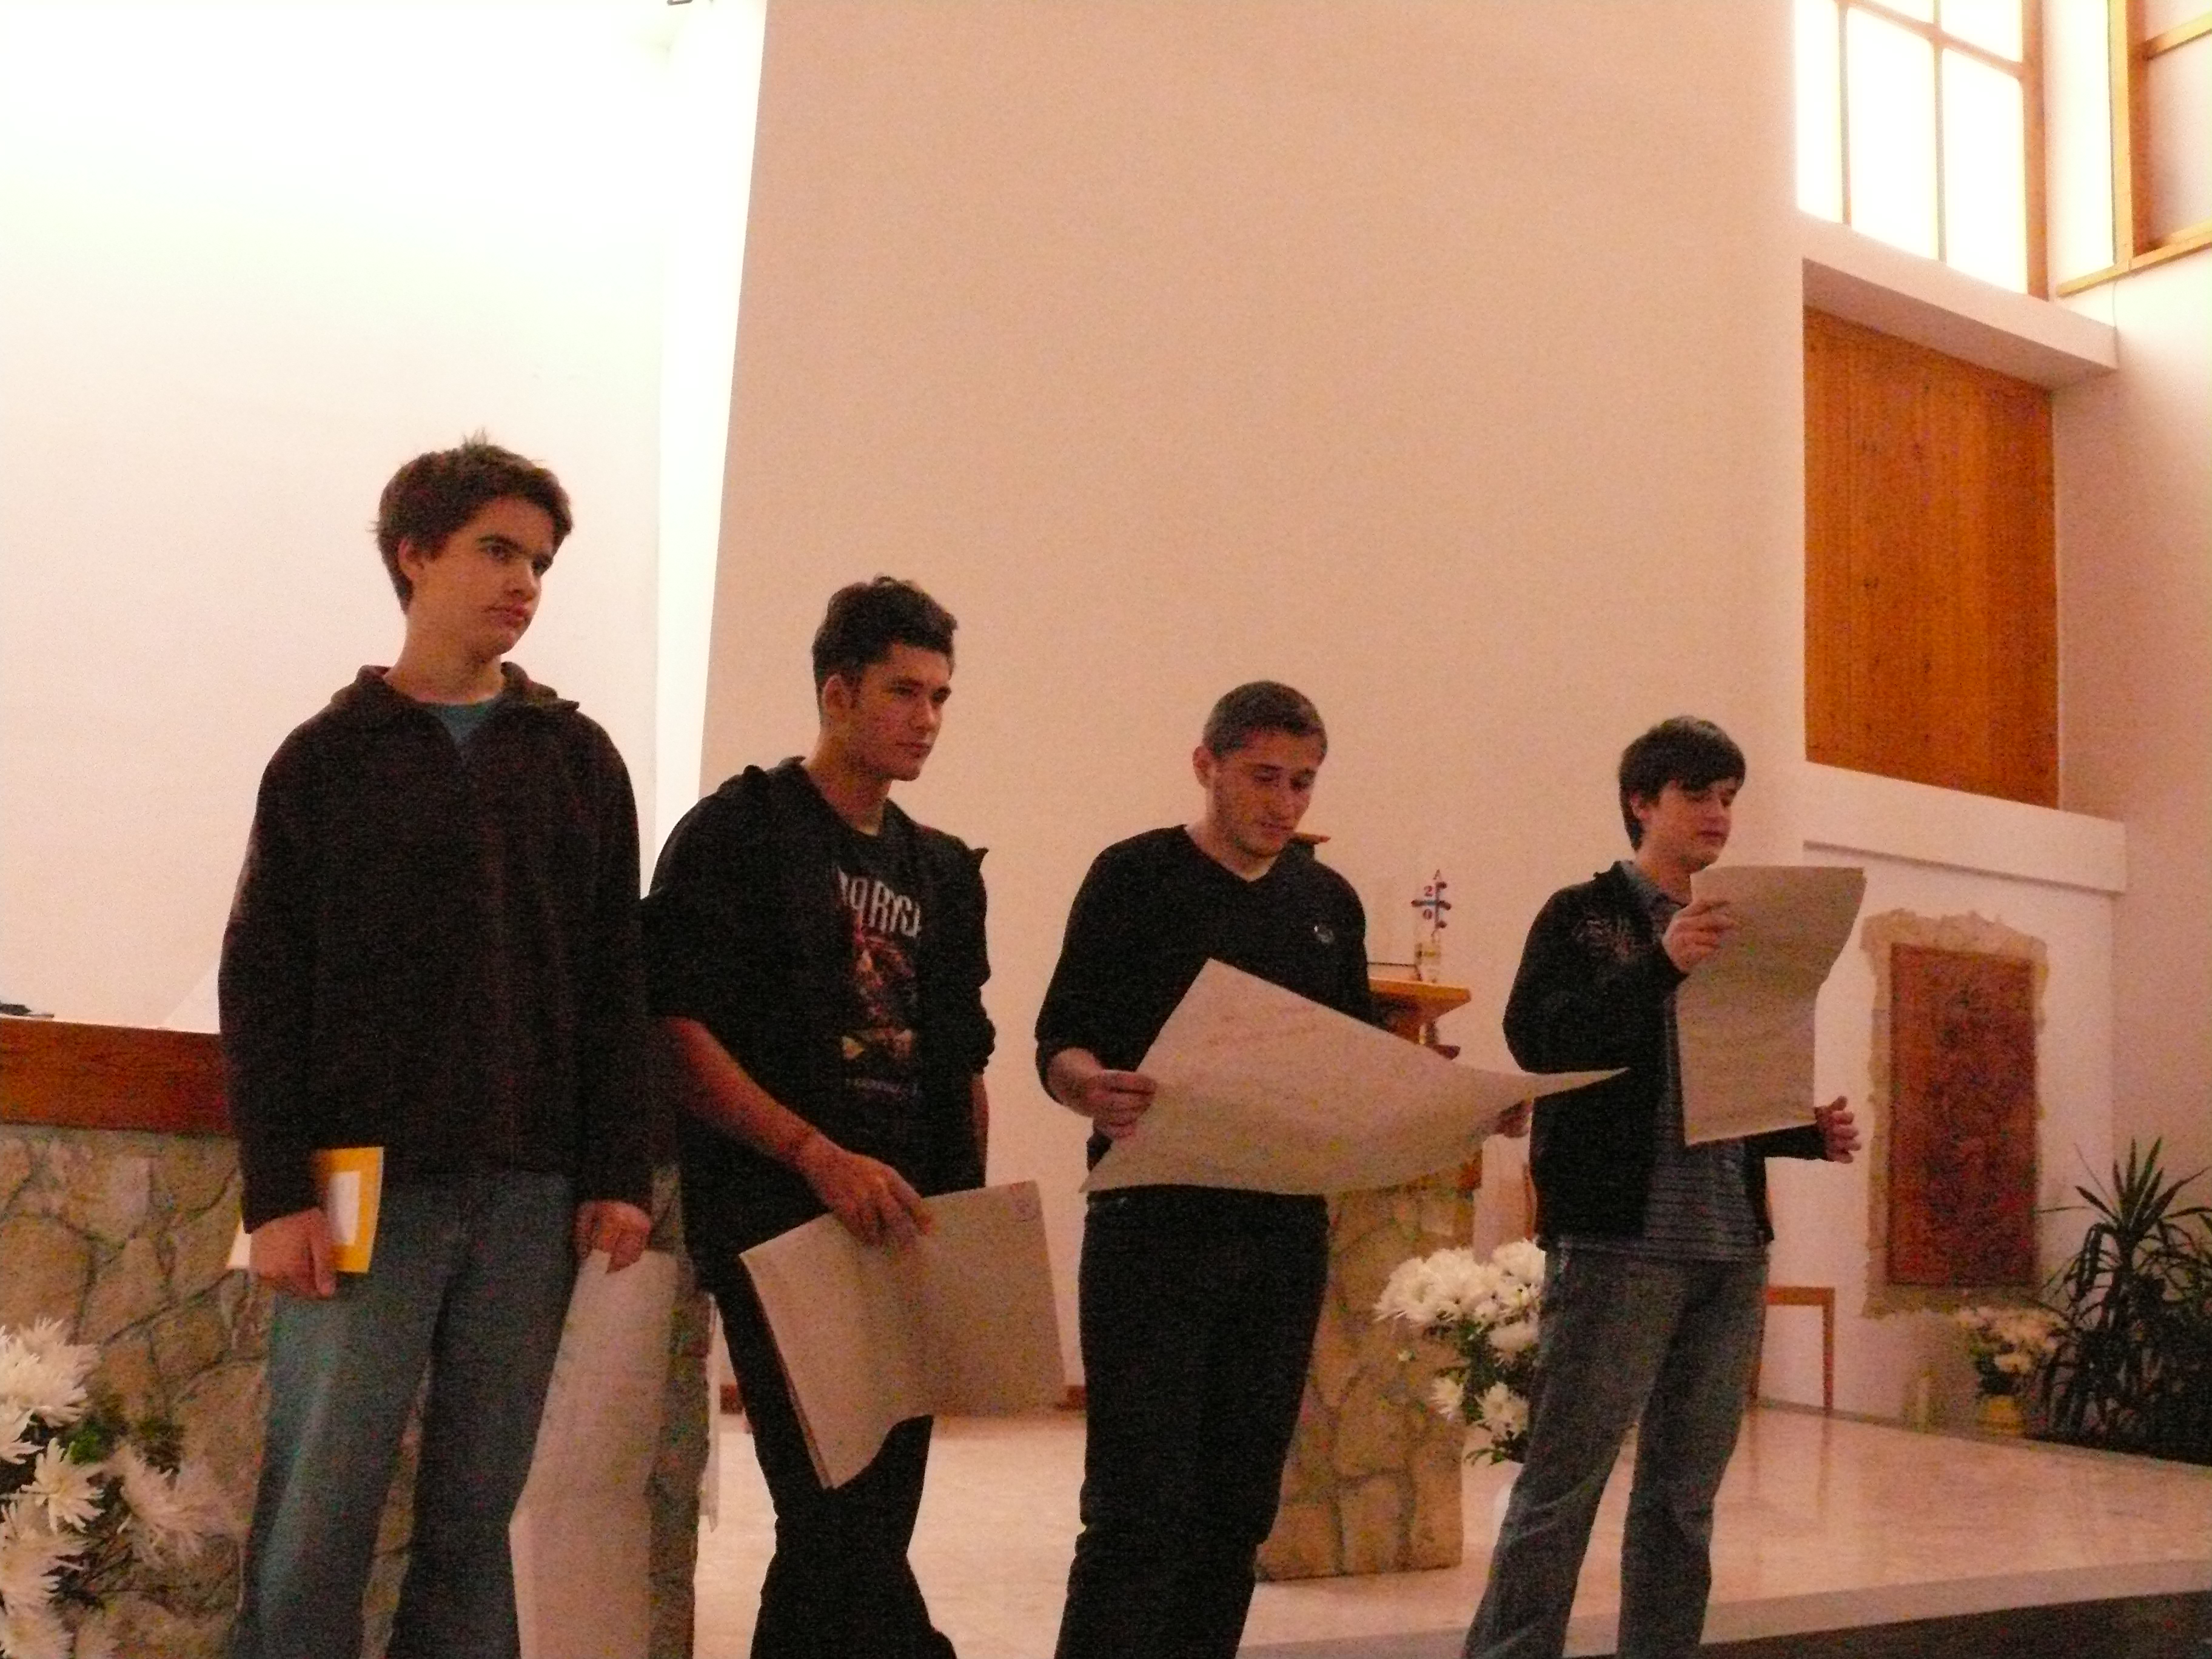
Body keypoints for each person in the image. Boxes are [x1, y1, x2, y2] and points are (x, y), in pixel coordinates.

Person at [222, 437, 654, 1659]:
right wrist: (277, 1196)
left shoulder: (577, 760)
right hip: (364, 1188)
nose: (524, 582)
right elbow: (262, 987)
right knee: (322, 1503)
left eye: (541, 563)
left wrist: (618, 1172)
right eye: (497, 551)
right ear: (415, 556)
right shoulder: (326, 758)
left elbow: (616, 983)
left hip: (528, 1193)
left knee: (485, 1517)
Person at [642, 577, 993, 1659]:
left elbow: (961, 1059)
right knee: (833, 1508)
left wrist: (966, 1222)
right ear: (837, 693)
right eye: (903, 692)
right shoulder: (739, 833)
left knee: (864, 1524)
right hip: (780, 1216)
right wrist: (814, 1153)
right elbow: (677, 1031)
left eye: (940, 696)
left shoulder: (942, 869)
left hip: (906, 1219)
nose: (927, 718)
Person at [1463, 716, 1862, 1659]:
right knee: (1564, 1487)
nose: (1719, 813)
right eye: (1697, 794)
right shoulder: (1582, 916)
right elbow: (1543, 1041)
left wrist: (1803, 1131)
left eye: (1729, 798)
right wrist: (1662, 965)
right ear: (1642, 802)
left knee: (1684, 1497)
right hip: (1619, 1241)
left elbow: (1717, 1084)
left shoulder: (1742, 924)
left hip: (1729, 1244)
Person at [1036, 681, 1374, 1659]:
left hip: (1280, 1234)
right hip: (1153, 1227)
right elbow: (1061, 1039)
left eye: (1303, 783)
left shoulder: (1327, 904)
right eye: (1264, 777)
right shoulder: (1134, 877)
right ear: (1206, 766)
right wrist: (1090, 1086)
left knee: (1236, 1512)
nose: (1285, 803)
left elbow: (1353, 1062)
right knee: (1135, 1512)